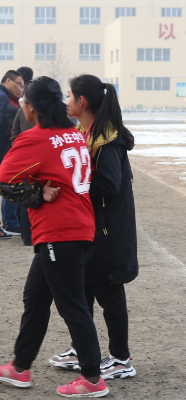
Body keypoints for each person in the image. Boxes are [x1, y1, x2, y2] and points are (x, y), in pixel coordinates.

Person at [0, 76, 109, 397]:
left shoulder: (36, 139)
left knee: (72, 305)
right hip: (76, 228)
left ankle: (92, 378)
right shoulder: (73, 135)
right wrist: (38, 188)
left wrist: (33, 192)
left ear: (33, 108)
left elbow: (4, 178)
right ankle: (20, 367)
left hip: (58, 232)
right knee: (35, 298)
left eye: (24, 103)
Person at [49, 74, 138, 381]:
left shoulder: (107, 138)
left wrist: (71, 182)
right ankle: (83, 348)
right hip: (91, 227)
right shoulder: (86, 131)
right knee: (82, 287)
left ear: (82, 101)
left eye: (69, 97)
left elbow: (109, 184)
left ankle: (121, 358)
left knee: (109, 293)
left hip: (109, 232)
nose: (66, 102)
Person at [10, 67, 35, 246]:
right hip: (35, 162)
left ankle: (27, 236)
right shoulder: (51, 112)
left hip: (24, 159)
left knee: (27, 196)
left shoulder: (21, 110)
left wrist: (17, 152)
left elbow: (14, 135)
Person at [0, 70, 24, 239]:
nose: (20, 89)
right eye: (19, 84)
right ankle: (10, 223)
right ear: (8, 80)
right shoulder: (2, 97)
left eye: (23, 86)